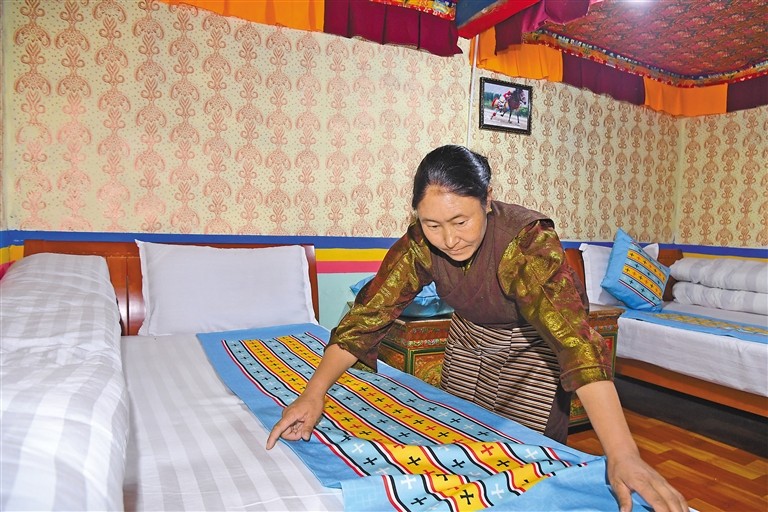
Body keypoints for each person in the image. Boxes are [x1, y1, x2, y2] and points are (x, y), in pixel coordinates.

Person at [267, 145, 688, 512]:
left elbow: (574, 341)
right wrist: (313, 394)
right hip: (469, 340)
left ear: (487, 199)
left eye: (460, 221)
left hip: (532, 351)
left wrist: (623, 453)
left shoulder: (527, 242)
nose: (448, 239)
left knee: (525, 466)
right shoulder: (420, 243)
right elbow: (368, 316)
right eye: (433, 224)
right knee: (460, 443)